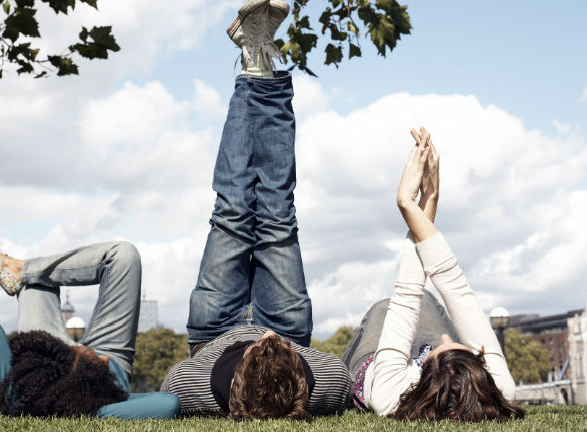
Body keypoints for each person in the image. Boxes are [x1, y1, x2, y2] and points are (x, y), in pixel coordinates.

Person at [160, 0, 351, 420]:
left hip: (214, 332)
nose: (259, 341)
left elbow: (171, 383)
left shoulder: (194, 389)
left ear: (234, 386)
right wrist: (285, 346)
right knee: (277, 212)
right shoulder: (326, 386)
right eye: (269, 349)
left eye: (254, 352)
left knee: (232, 210)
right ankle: (259, 56)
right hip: (288, 329)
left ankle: (254, 56)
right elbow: (340, 374)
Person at [341, 128, 525, 422]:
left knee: (384, 308)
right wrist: (430, 197)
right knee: (427, 300)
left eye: (440, 348)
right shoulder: (498, 387)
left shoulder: (391, 395)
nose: (444, 336)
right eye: (456, 344)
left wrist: (407, 201)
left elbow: (406, 292)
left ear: (421, 377)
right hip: (436, 362)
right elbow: (457, 290)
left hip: (375, 362)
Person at [0, 239, 180, 419]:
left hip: (46, 356)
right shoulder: (100, 402)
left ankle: (21, 270)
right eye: (89, 363)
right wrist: (85, 406)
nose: (81, 350)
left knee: (35, 283)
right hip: (110, 373)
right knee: (124, 255)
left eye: (76, 356)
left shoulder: (21, 395)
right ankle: (24, 271)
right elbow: (168, 403)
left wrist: (60, 362)